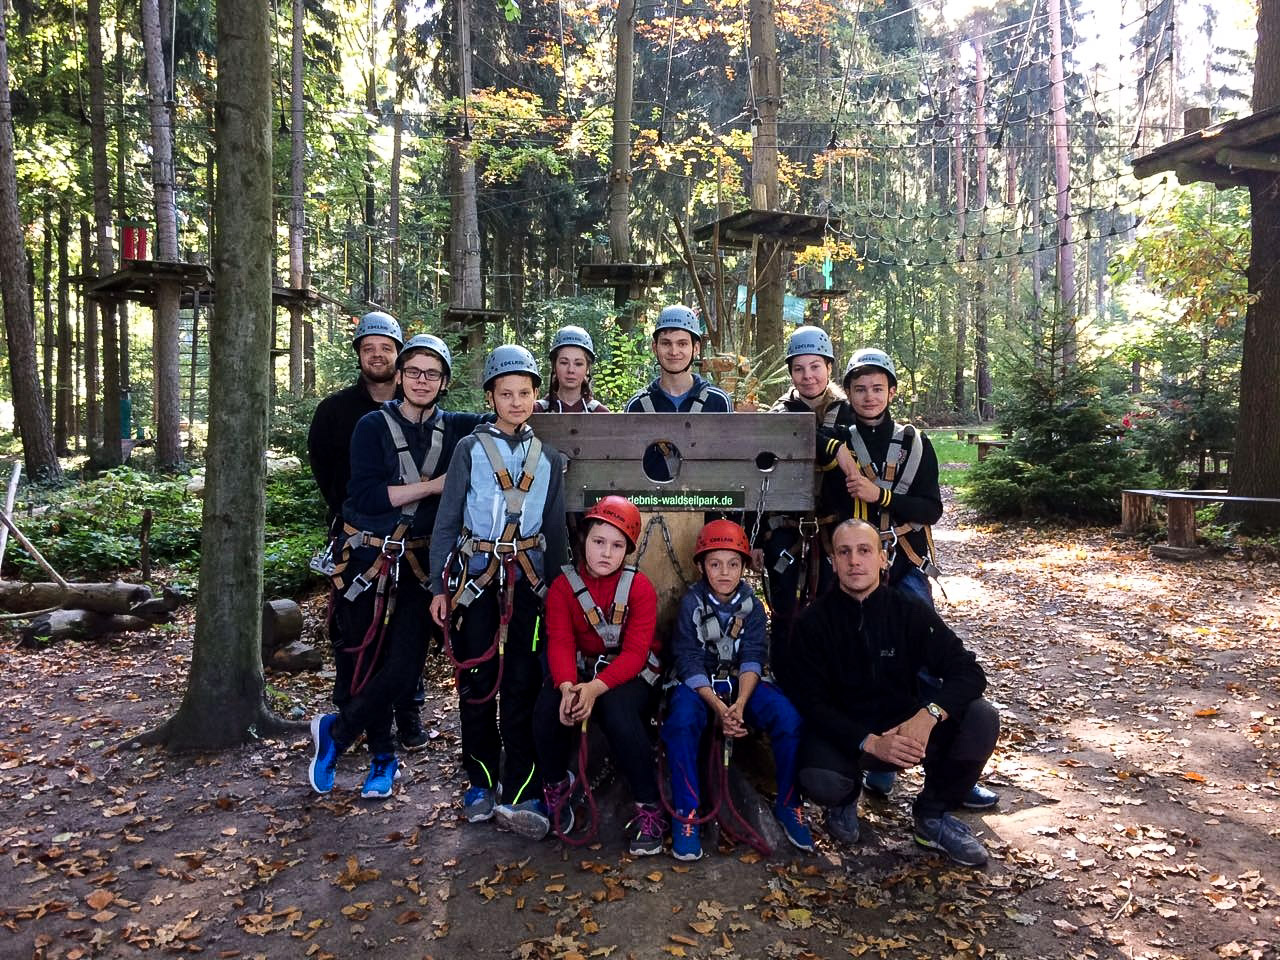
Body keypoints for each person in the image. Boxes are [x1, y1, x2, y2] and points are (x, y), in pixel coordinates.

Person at [819, 347, 999, 811]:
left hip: (904, 563)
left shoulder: (914, 443)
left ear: (892, 391)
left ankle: (945, 768)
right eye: (859, 389)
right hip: (855, 566)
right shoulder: (835, 440)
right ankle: (875, 759)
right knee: (853, 658)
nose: (869, 396)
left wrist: (879, 493)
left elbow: (930, 509)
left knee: (924, 664)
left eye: (878, 388)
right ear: (849, 393)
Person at [308, 333, 482, 798]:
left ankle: (338, 732)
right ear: (400, 377)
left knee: (404, 668)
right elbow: (362, 494)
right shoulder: (370, 426)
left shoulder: (462, 427)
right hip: (368, 557)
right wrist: (433, 487)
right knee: (367, 659)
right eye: (414, 372)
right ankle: (382, 760)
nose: (422, 381)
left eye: (432, 374)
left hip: (421, 565)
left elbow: (511, 416)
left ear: (444, 382)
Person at [788, 520, 1000, 867]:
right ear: (834, 562)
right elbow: (809, 702)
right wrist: (868, 741)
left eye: (865, 550)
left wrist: (928, 715)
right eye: (845, 552)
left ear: (883, 558)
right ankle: (844, 800)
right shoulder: (813, 622)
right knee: (820, 778)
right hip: (846, 736)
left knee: (982, 717)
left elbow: (968, 672)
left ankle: (932, 816)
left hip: (905, 728)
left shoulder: (909, 611)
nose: (855, 561)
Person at [429, 345, 570, 825]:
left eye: (525, 393)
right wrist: (438, 587)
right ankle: (480, 781)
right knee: (477, 681)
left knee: (524, 684)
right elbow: (447, 521)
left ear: (536, 396)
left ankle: (523, 787)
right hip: (476, 579)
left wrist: (560, 591)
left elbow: (555, 531)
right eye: (506, 393)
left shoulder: (550, 459)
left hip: (530, 583)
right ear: (490, 396)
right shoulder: (469, 450)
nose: (516, 401)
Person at [510, 496, 666, 855]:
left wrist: (594, 689)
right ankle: (556, 785)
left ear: (627, 550)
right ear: (584, 540)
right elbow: (561, 642)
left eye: (616, 545)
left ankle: (648, 804)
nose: (606, 553)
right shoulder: (564, 588)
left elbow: (635, 653)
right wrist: (567, 687)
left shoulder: (639, 588)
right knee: (547, 710)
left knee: (620, 715)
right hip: (579, 669)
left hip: (628, 673)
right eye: (599, 542)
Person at [306, 312, 430, 752]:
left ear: (398, 356)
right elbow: (325, 469)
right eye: (369, 348)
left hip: (412, 538)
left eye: (386, 348)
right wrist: (352, 515)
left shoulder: (421, 406)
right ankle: (352, 712)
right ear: (359, 354)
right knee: (355, 630)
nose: (378, 356)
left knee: (407, 635)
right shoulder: (336, 412)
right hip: (357, 537)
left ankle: (408, 713)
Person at [661, 520, 814, 861]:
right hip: (700, 685)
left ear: (744, 566)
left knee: (787, 718)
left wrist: (740, 705)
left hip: (744, 684)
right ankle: (687, 812)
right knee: (681, 722)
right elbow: (688, 660)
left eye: (733, 564)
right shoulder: (692, 604)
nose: (725, 573)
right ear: (701, 566)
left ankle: (790, 802)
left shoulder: (753, 607)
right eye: (715, 564)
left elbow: (753, 656)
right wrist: (719, 708)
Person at [753, 325, 854, 691]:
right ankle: (783, 679)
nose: (808, 376)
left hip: (833, 529)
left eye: (815, 367)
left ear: (829, 367)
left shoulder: (848, 414)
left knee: (833, 603)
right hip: (786, 529)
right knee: (784, 607)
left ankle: (832, 681)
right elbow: (759, 476)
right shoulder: (779, 414)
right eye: (799, 368)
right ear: (790, 372)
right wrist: (758, 538)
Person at [624, 305, 732, 482]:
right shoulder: (637, 405)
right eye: (666, 343)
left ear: (696, 348)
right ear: (654, 347)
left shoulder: (717, 401)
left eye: (682, 343)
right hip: (650, 504)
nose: (674, 352)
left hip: (708, 503)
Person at [534, 326, 610, 412]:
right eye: (564, 363)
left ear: (587, 368)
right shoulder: (537, 410)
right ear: (554, 365)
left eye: (578, 364)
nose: (571, 370)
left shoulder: (599, 412)